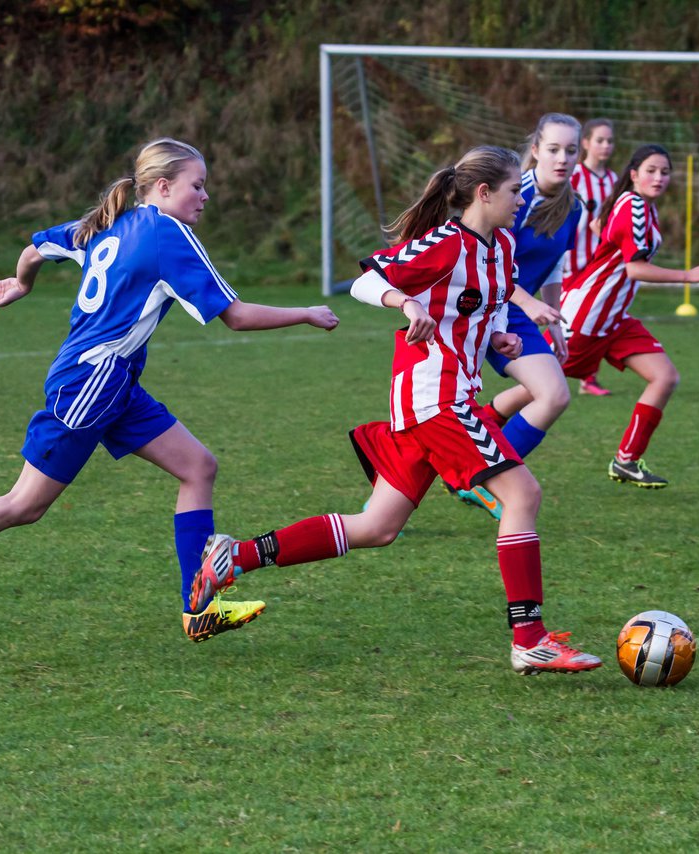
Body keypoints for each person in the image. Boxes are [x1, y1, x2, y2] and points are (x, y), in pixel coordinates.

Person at [0, 138, 339, 642]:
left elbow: (36, 248)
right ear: (162, 186)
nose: (204, 197)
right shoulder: (166, 235)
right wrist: (305, 313)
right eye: (197, 186)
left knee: (198, 467)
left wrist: (21, 284)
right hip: (91, 385)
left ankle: (199, 607)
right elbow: (235, 316)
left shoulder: (113, 222)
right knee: (24, 504)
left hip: (112, 382)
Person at [191, 146, 602, 675]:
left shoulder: (500, 246)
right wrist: (405, 303)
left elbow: (484, 305)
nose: (519, 200)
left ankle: (235, 556)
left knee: (377, 526)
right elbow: (367, 280)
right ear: (483, 193)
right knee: (523, 493)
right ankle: (530, 638)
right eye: (512, 191)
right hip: (435, 400)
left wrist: (498, 338)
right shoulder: (444, 244)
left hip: (441, 400)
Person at [558, 144, 699, 488]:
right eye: (651, 171)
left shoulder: (638, 205)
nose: (659, 178)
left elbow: (602, 227)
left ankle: (626, 461)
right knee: (538, 390)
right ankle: (472, 443)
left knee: (665, 377)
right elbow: (634, 269)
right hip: (587, 318)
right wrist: (688, 276)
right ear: (633, 174)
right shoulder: (636, 208)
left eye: (664, 172)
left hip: (614, 318)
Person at [452, 112, 579, 521]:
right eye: (554, 148)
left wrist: (553, 318)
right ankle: (483, 475)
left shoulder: (572, 206)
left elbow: (554, 265)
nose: (562, 158)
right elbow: (489, 260)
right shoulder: (514, 193)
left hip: (517, 310)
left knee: (541, 392)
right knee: (552, 394)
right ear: (536, 149)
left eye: (571, 150)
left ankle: (471, 460)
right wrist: (528, 304)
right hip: (485, 306)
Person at [568, 118, 617, 397]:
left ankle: (589, 377)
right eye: (600, 140)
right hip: (570, 262)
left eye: (610, 141)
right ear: (585, 143)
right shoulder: (573, 175)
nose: (606, 146)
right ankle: (544, 368)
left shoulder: (613, 180)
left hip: (598, 263)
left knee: (597, 315)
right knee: (567, 321)